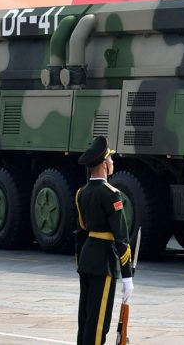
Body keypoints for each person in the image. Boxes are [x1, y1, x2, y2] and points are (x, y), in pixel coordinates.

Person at [75, 136, 133, 345]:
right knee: (99, 324)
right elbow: (121, 238)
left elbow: (80, 233)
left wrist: (81, 261)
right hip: (104, 263)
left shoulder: (81, 193)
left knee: (85, 319)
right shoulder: (112, 195)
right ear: (103, 164)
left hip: (86, 260)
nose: (113, 163)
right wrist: (127, 277)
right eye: (110, 160)